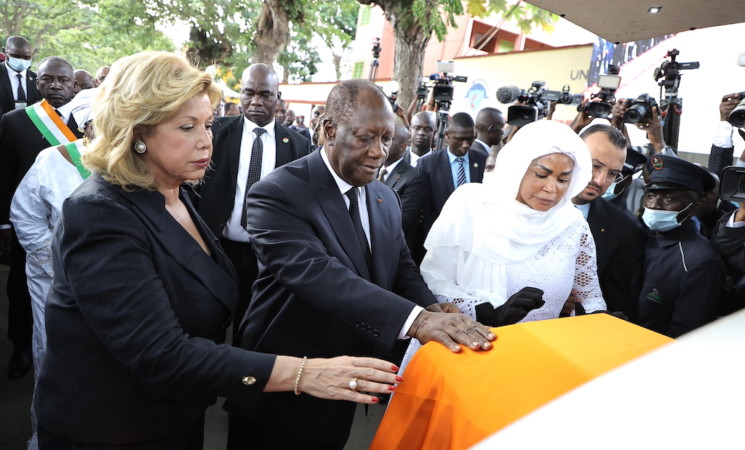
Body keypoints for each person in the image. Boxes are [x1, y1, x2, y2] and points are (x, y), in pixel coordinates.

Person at [33, 51, 399, 449]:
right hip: (107, 428)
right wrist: (304, 374)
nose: (207, 140)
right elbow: (162, 352)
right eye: (187, 127)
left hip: (172, 415)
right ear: (137, 131)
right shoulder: (99, 214)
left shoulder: (174, 192)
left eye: (207, 124)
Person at [227, 79, 495, 449]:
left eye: (386, 139)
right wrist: (418, 321)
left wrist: (431, 306)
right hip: (287, 379)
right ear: (330, 130)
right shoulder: (278, 192)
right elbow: (317, 274)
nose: (379, 152)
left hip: (350, 378)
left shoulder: (384, 196)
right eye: (366, 138)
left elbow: (400, 265)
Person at [418, 119, 605, 326]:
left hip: (541, 350)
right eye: (541, 175)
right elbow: (435, 279)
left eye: (562, 180)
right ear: (517, 168)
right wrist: (487, 312)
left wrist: (598, 320)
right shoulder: (472, 205)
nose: (551, 189)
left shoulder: (572, 224)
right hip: (469, 341)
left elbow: (589, 294)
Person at [195, 63, 311, 333]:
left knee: (251, 326)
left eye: (265, 94)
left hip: (267, 256)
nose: (256, 101)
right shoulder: (216, 133)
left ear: (278, 97)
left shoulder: (297, 144)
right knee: (209, 321)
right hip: (217, 247)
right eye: (249, 93)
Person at [10, 86, 95, 450]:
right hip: (53, 281)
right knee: (54, 359)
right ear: (85, 126)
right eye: (98, 123)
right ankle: (44, 435)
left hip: (108, 284)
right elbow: (25, 216)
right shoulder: (53, 160)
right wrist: (54, 262)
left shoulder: (134, 163)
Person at [0, 55, 81, 381]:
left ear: (74, 86)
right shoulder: (15, 120)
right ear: (38, 82)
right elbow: (4, 176)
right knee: (20, 287)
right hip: (29, 225)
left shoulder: (87, 123)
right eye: (48, 79)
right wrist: (4, 223)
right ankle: (21, 347)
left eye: (63, 80)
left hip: (73, 223)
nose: (56, 85)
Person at [637, 155, 725, 338]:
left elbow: (685, 333)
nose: (655, 206)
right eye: (651, 196)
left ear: (694, 206)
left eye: (669, 199)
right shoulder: (638, 237)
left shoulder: (701, 261)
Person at [570, 124, 645, 320]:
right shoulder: (530, 205)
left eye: (612, 173)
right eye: (595, 166)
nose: (601, 180)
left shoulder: (622, 228)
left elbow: (617, 301)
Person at [417, 111, 486, 234]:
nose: (466, 145)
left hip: (475, 234)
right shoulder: (428, 164)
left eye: (470, 139)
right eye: (460, 139)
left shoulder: (482, 161)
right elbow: (423, 207)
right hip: (439, 235)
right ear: (447, 135)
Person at [379, 122, 426, 262]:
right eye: (381, 138)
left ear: (403, 147)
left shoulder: (413, 178)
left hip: (392, 255)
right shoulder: (371, 169)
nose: (381, 144)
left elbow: (402, 221)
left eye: (388, 140)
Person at [1, 36, 41, 116]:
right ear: (5, 52)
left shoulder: (37, 79)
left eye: (27, 58)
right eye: (16, 56)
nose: (21, 61)